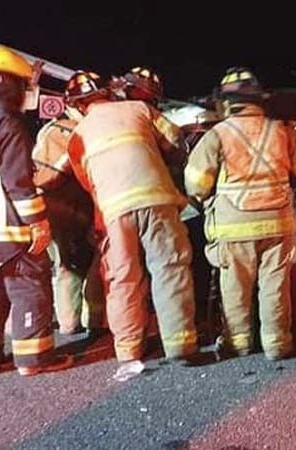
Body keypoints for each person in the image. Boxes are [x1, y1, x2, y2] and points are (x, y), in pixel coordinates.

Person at [64, 70, 200, 370]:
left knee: (122, 278)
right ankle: (180, 343)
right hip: (159, 200)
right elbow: (177, 142)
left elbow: (87, 181)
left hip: (114, 211)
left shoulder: (77, 135)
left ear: (75, 105)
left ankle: (129, 351)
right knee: (169, 269)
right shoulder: (140, 109)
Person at [185, 67, 296, 360]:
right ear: (259, 99)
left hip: (234, 228)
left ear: (227, 102)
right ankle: (278, 344)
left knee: (234, 289)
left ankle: (239, 343)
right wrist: (293, 136)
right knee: (275, 287)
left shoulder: (217, 135)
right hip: (278, 224)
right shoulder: (281, 131)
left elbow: (196, 184)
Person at [0, 46, 73, 376]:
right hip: (9, 233)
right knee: (29, 290)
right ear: (14, 86)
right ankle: (33, 360)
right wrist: (39, 223)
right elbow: (19, 183)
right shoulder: (9, 124)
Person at [32, 107, 104, 335]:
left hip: (50, 209)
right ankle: (94, 319)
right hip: (73, 208)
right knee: (97, 259)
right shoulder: (76, 130)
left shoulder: (50, 129)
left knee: (64, 266)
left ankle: (68, 323)